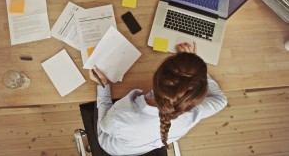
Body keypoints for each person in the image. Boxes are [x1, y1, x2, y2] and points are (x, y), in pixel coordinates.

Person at [88, 42, 227, 156]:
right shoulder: (194, 114)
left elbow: (104, 127)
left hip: (112, 147)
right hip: (143, 146)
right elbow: (221, 100)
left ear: (156, 77)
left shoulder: (122, 115)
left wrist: (104, 85)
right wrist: (194, 71)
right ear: (198, 93)